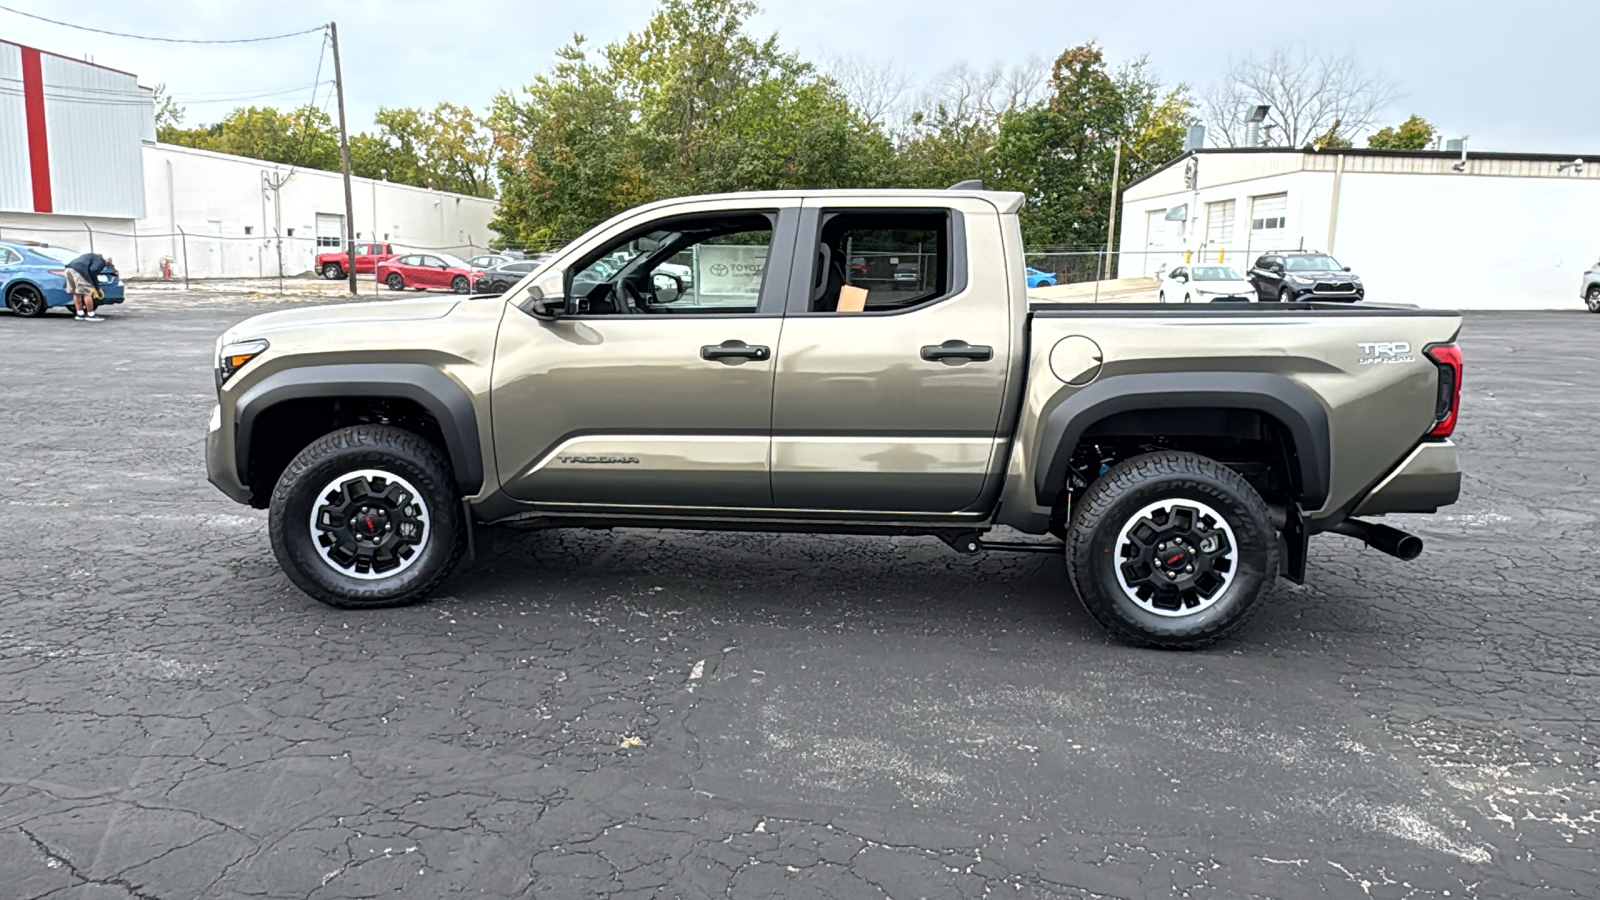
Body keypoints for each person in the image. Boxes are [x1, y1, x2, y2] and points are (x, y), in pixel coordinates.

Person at [65, 252, 113, 322]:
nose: (104, 267)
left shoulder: (93, 256)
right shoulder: (101, 261)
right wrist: (94, 287)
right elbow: (93, 271)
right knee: (87, 293)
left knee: (76, 292)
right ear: (107, 262)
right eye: (107, 265)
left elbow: (92, 272)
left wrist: (97, 287)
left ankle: (80, 314)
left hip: (69, 269)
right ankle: (91, 314)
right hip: (80, 270)